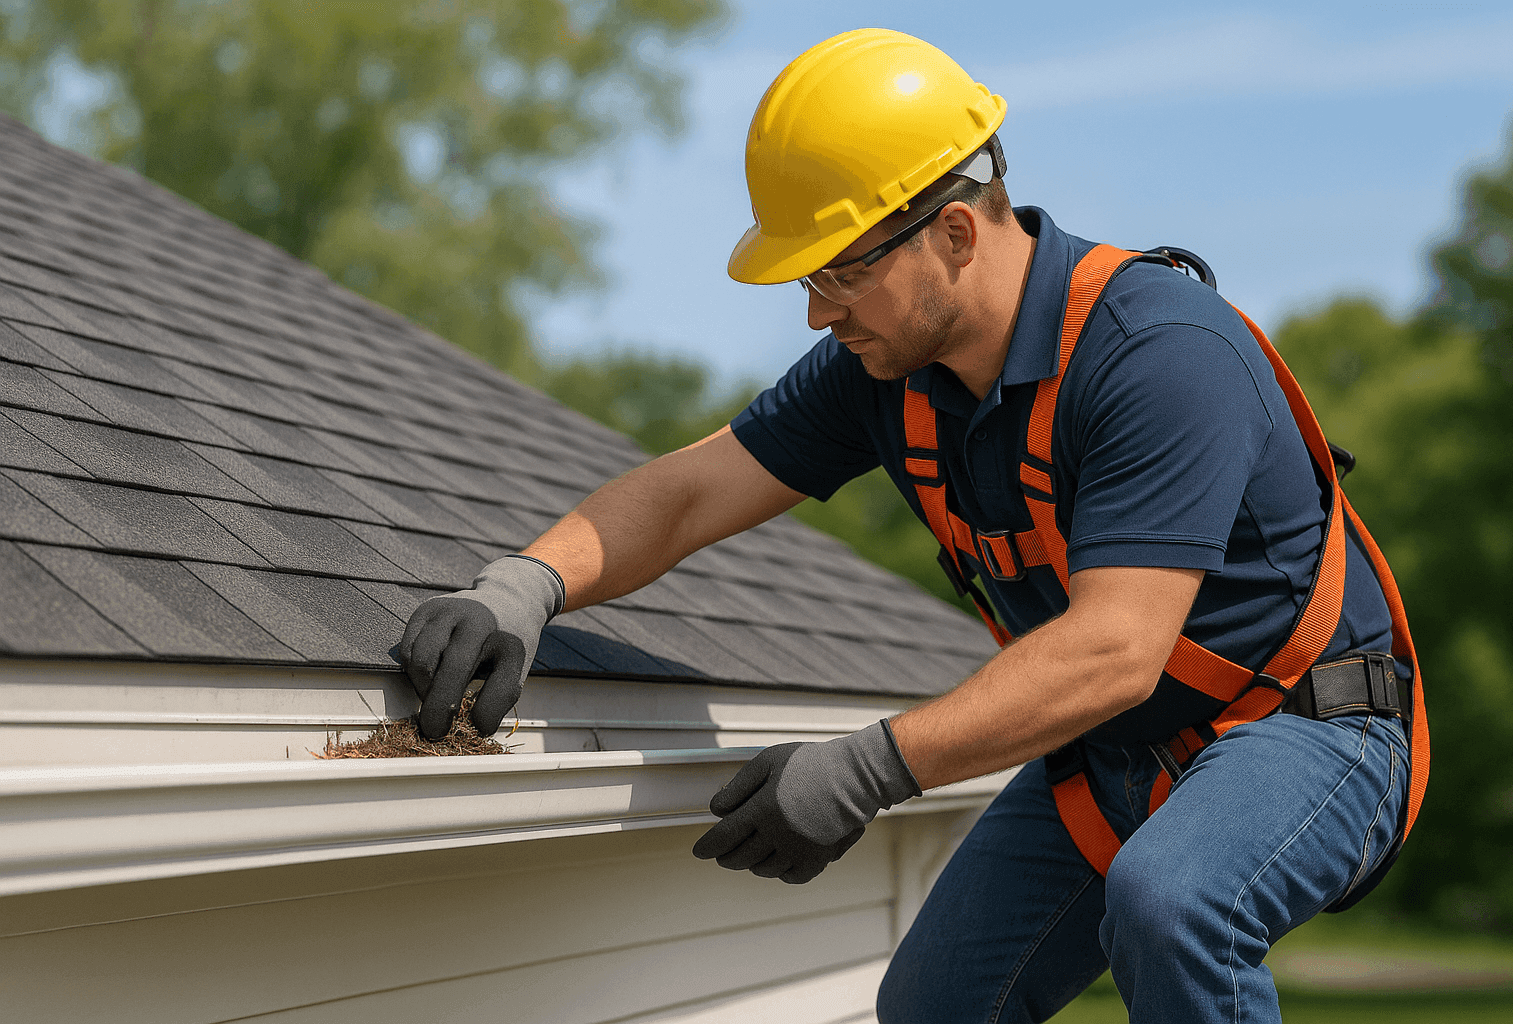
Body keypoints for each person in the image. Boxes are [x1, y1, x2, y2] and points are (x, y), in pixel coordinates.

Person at [398, 28, 1428, 1024]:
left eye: (841, 272)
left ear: (954, 232)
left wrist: (864, 769)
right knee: (934, 1001)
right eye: (809, 278)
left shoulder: (1156, 355)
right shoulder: (883, 374)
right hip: (1118, 749)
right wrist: (525, 582)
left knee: (1174, 903)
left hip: (1306, 725)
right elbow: (689, 491)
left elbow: (1116, 649)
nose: (817, 312)